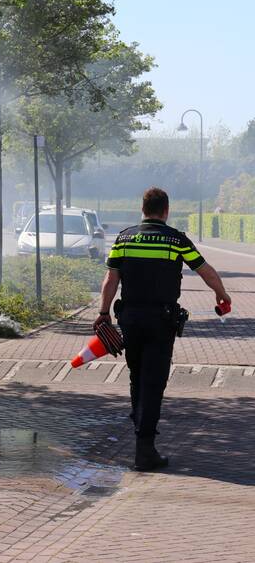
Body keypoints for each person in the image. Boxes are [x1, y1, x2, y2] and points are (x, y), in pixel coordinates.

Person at [95, 187, 231, 471]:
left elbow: (111, 279)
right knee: (154, 382)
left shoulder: (124, 238)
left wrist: (103, 313)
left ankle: (140, 435)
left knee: (136, 376)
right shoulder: (175, 240)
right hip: (161, 320)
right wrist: (221, 294)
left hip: (129, 318)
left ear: (142, 209)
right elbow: (204, 270)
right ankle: (145, 450)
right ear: (165, 210)